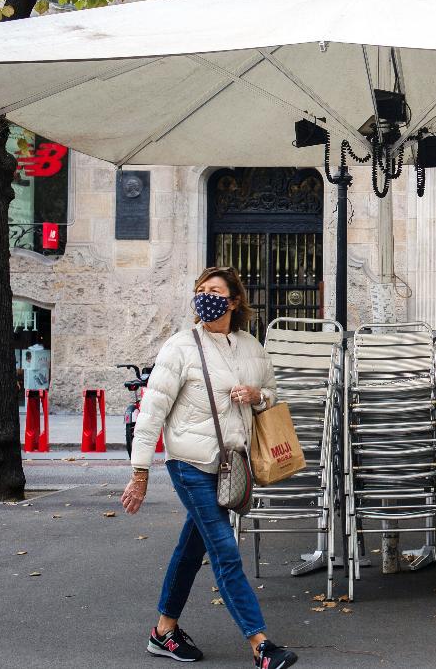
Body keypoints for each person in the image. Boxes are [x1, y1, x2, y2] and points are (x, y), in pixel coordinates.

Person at [122, 266, 299, 668]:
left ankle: (163, 631)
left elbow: (272, 395)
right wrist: (140, 472)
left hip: (230, 466)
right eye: (201, 290)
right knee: (224, 550)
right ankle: (260, 645)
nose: (206, 297)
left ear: (234, 301)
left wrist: (256, 395)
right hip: (189, 463)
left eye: (215, 291)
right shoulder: (180, 347)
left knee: (192, 547)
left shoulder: (252, 347)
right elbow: (151, 412)